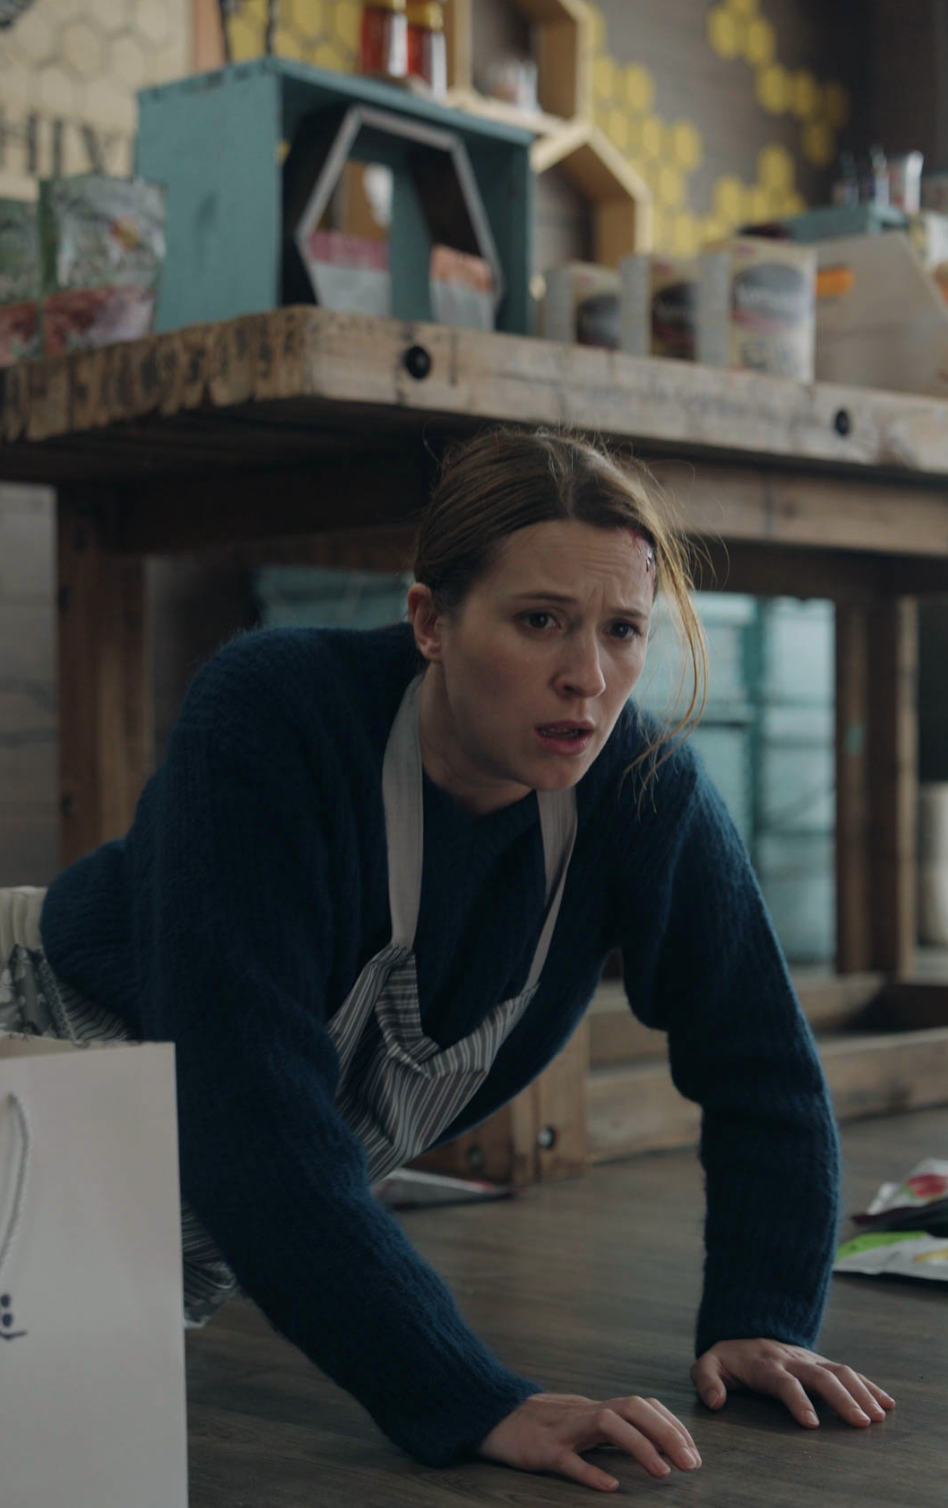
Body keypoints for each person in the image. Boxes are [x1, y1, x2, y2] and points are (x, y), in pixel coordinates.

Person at [0, 427, 894, 1492]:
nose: (587, 677)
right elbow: (251, 1108)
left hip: (198, 1223)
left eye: (622, 630)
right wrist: (464, 1389)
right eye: (539, 621)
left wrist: (762, 1313)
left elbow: (762, 1063)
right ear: (430, 618)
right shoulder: (273, 715)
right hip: (42, 1063)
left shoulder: (648, 795)